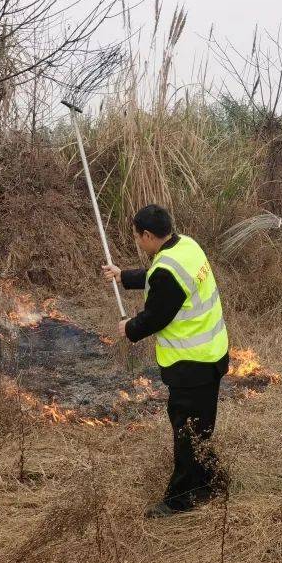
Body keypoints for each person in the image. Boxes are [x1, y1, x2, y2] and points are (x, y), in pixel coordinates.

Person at [102, 204, 229, 517]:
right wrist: (125, 277)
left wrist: (129, 327)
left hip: (191, 365)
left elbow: (155, 316)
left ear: (147, 235)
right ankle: (212, 481)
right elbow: (158, 277)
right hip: (212, 356)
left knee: (186, 432)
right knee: (200, 427)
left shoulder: (167, 271)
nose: (136, 242)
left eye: (136, 237)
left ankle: (181, 499)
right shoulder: (186, 245)